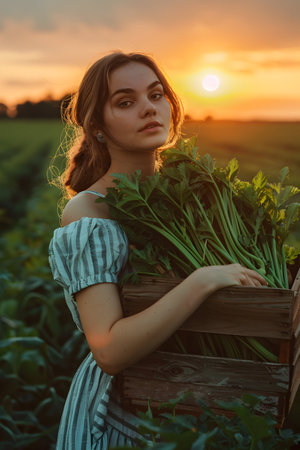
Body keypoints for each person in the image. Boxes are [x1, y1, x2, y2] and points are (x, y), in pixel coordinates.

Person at [48, 51, 267, 449]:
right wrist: (202, 281)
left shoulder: (194, 199)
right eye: (126, 102)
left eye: (156, 95)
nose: (148, 109)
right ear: (97, 126)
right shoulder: (88, 213)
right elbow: (110, 350)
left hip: (205, 409)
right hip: (125, 420)